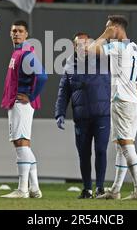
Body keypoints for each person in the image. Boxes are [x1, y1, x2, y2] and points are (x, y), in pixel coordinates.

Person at [89, 15, 137, 201]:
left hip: (121, 100)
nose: (107, 30)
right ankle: (115, 190)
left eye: (109, 27)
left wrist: (105, 34)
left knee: (126, 145)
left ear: (116, 27)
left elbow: (90, 50)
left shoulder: (118, 46)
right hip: (133, 102)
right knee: (123, 145)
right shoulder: (136, 48)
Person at [55, 32, 110, 199]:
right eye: (80, 44)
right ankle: (87, 189)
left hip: (102, 115)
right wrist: (60, 113)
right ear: (74, 46)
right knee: (84, 154)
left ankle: (100, 187)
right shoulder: (69, 65)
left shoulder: (103, 60)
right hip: (81, 117)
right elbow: (63, 92)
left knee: (101, 150)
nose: (83, 47)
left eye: (87, 44)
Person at [0, 20, 48, 199]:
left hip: (21, 103)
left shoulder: (26, 53)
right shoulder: (19, 52)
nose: (16, 34)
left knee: (20, 143)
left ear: (27, 34)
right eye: (13, 31)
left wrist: (31, 96)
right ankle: (34, 188)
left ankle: (23, 189)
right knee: (24, 144)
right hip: (18, 103)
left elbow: (42, 75)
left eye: (20, 31)